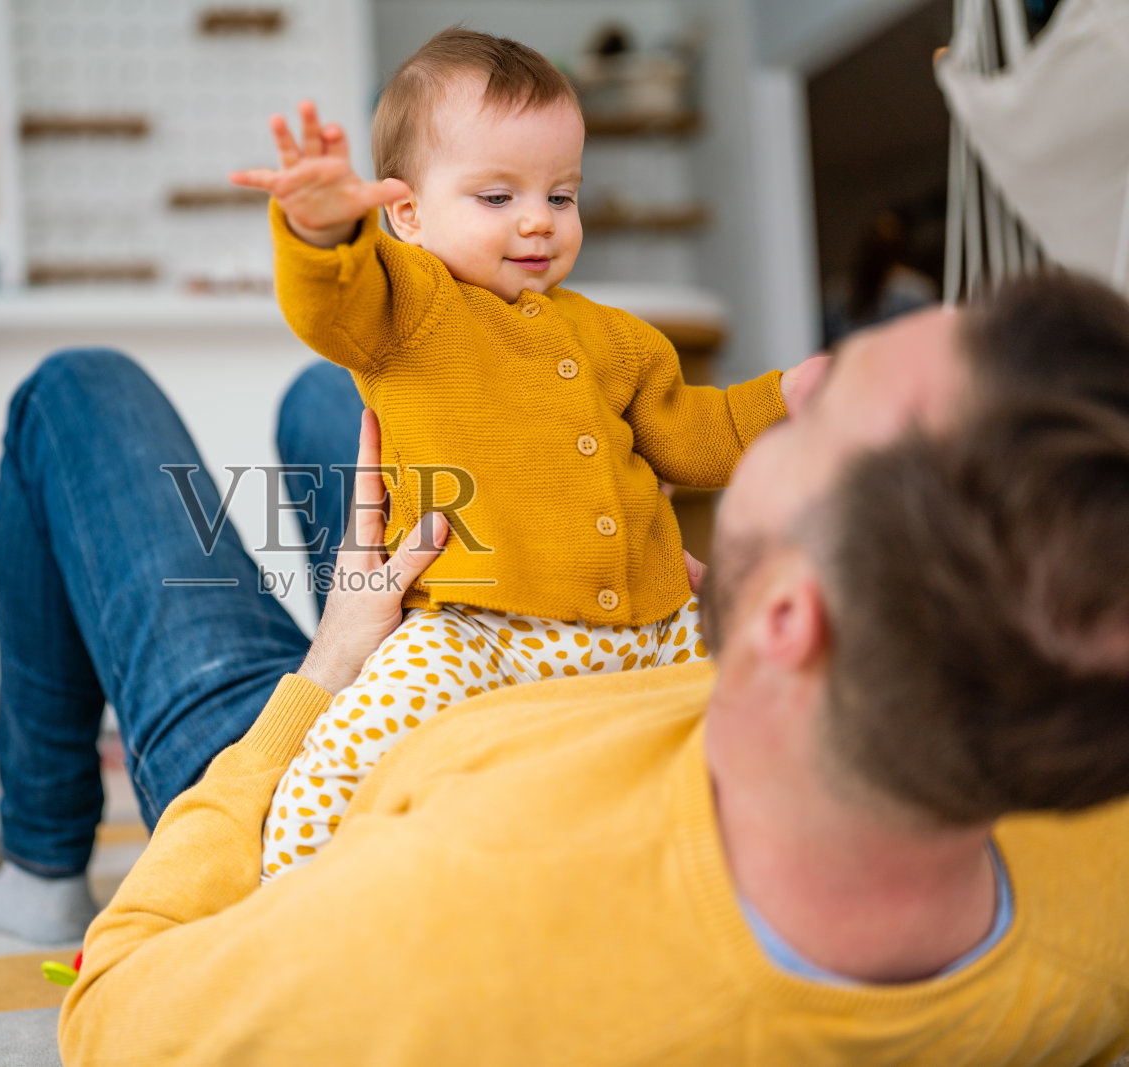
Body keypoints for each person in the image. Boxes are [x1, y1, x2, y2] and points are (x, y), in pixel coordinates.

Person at [54, 272, 1129, 1064]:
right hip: (521, 654)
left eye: (821, 411)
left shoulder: (431, 920)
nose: (783, 401)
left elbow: (109, 1016)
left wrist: (323, 678)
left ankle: (37, 859)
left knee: (82, 396)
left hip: (314, 778)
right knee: (337, 403)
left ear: (791, 618)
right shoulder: (1096, 846)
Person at [229, 28, 827, 880]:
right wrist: (323, 233)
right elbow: (333, 306)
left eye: (562, 194)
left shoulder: (615, 337)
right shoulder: (410, 306)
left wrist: (785, 399)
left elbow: (692, 432)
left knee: (779, 714)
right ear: (406, 214)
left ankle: (786, 871)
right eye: (497, 196)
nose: (539, 220)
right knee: (345, 750)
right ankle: (290, 894)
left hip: (652, 630)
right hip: (479, 630)